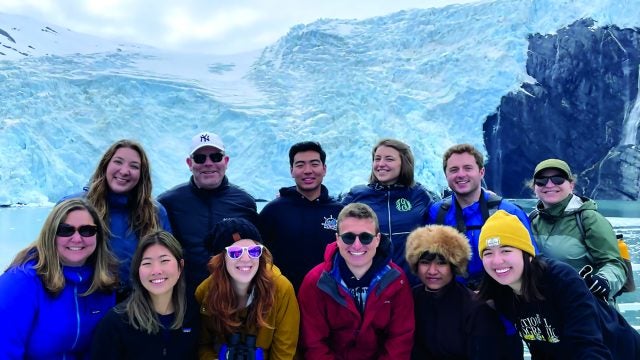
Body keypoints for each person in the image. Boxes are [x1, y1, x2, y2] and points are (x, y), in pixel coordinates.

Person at [478, 210, 640, 359]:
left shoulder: (562, 280)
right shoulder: (498, 291)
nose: (497, 261)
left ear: (528, 255)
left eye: (506, 250)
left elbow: (587, 344)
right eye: (488, 253)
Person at [0, 198, 118, 359]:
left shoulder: (103, 282)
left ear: (98, 235)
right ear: (51, 234)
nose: (77, 239)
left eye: (87, 230)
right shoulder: (21, 282)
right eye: (65, 230)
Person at [298, 202, 414, 360]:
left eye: (366, 237)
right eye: (348, 237)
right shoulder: (316, 282)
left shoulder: (396, 279)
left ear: (378, 239)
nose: (357, 246)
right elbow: (313, 343)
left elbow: (401, 337)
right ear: (337, 239)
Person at [62, 139, 172, 301]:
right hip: (84, 303)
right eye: (118, 162)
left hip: (138, 306)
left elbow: (168, 261)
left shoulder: (155, 212)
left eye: (134, 166)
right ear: (105, 165)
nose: (124, 171)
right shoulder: (75, 206)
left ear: (142, 174)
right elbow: (48, 254)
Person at [158, 131, 258, 297]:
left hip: (233, 297)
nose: (208, 163)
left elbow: (257, 252)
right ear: (189, 163)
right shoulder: (168, 203)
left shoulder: (244, 203)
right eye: (200, 158)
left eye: (215, 157)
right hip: (185, 298)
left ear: (225, 161)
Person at [430, 143, 536, 289]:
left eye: (468, 168)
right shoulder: (437, 213)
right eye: (454, 170)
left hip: (503, 298)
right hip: (456, 299)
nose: (461, 174)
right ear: (446, 175)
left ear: (481, 172)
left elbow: (532, 260)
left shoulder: (509, 212)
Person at [195, 218, 299, 360]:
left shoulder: (281, 289)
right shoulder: (205, 292)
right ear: (221, 259)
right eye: (235, 252)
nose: (246, 259)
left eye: (254, 251)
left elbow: (284, 351)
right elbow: (202, 344)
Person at [405, 224, 509, 359]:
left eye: (441, 263)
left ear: (454, 265)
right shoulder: (409, 300)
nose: (432, 271)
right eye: (425, 262)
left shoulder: (475, 309)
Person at [529, 158, 626, 302]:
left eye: (558, 179)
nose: (549, 184)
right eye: (541, 180)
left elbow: (615, 265)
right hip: (547, 309)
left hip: (587, 306)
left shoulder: (589, 219)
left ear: (571, 185)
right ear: (535, 187)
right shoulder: (531, 220)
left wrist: (602, 281)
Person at [91, 230, 199, 359]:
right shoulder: (115, 323)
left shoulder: (194, 314)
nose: (156, 271)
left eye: (164, 261)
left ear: (180, 266)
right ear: (138, 270)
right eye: (147, 263)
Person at [342, 138, 436, 285]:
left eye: (389, 159)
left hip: (412, 285)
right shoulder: (357, 195)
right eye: (377, 159)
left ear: (404, 163)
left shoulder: (419, 195)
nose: (381, 164)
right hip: (371, 286)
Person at [259, 141, 343, 292]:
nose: (308, 170)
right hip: (284, 296)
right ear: (291, 170)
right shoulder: (273, 211)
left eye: (314, 164)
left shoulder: (339, 211)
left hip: (329, 297)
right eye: (300, 165)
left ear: (324, 169)